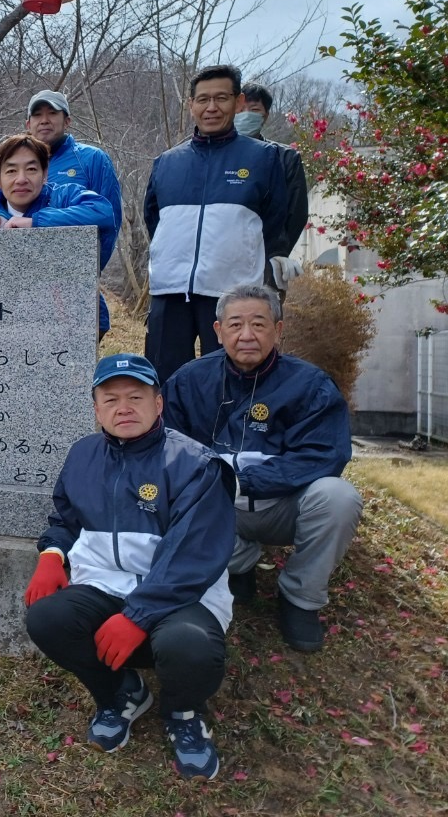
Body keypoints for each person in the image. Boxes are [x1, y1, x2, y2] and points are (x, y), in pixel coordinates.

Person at [24, 354, 236, 782]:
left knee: (188, 647)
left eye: (136, 396)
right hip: (105, 583)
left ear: (159, 404)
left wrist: (138, 615)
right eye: (111, 398)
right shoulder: (83, 454)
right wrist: (52, 555)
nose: (124, 407)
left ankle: (183, 711)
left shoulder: (195, 463)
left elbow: (192, 556)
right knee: (46, 619)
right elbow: (65, 519)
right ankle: (120, 693)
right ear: (96, 408)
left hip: (182, 594)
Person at [163, 284, 363, 653]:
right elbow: (168, 446)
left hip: (281, 504)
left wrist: (244, 481)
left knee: (339, 497)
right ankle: (239, 565)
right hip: (215, 507)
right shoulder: (189, 380)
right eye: (236, 325)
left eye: (259, 324)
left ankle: (300, 599)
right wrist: (213, 485)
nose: (247, 335)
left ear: (278, 329)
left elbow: (324, 455)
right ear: (218, 330)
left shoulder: (310, 385)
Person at [143, 64, 287, 383]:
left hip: (233, 292)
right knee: (165, 382)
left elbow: (276, 221)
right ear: (191, 105)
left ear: (237, 103)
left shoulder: (263, 158)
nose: (211, 107)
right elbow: (154, 221)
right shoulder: (167, 162)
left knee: (231, 382)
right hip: (170, 290)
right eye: (203, 99)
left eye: (221, 98)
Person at [0, 134, 116, 336]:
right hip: (11, 322)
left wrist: (37, 222)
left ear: (45, 174)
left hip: (73, 321)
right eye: (11, 170)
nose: (21, 179)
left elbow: (103, 212)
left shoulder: (64, 196)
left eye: (31, 169)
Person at [236, 82, 310, 291]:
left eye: (255, 110)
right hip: (222, 258)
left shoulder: (285, 157)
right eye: (241, 110)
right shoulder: (215, 155)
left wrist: (278, 251)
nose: (246, 114)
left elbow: (296, 212)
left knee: (261, 317)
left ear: (266, 115)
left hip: (266, 260)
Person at [26, 89, 123, 234]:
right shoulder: (16, 164)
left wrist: (96, 257)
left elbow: (111, 219)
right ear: (28, 124)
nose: (44, 120)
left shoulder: (92, 159)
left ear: (67, 121)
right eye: (37, 114)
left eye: (52, 113)